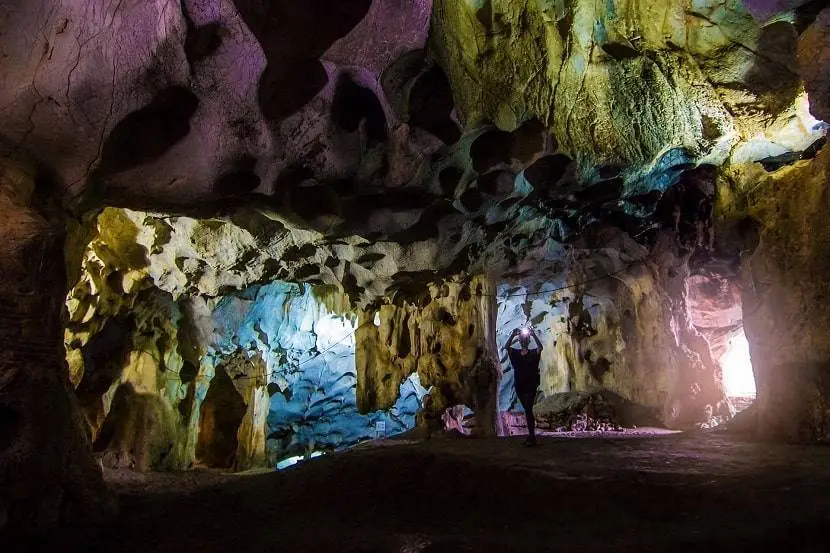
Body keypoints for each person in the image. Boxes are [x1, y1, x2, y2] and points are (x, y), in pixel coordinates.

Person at [504, 326, 543, 446]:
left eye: (525, 339)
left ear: (528, 341)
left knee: (528, 408)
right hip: (519, 385)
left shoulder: (532, 353)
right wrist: (513, 335)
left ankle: (532, 437)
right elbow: (506, 347)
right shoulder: (515, 353)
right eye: (522, 339)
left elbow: (540, 348)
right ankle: (531, 436)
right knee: (527, 409)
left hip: (531, 384)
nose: (523, 341)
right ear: (520, 341)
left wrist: (533, 334)